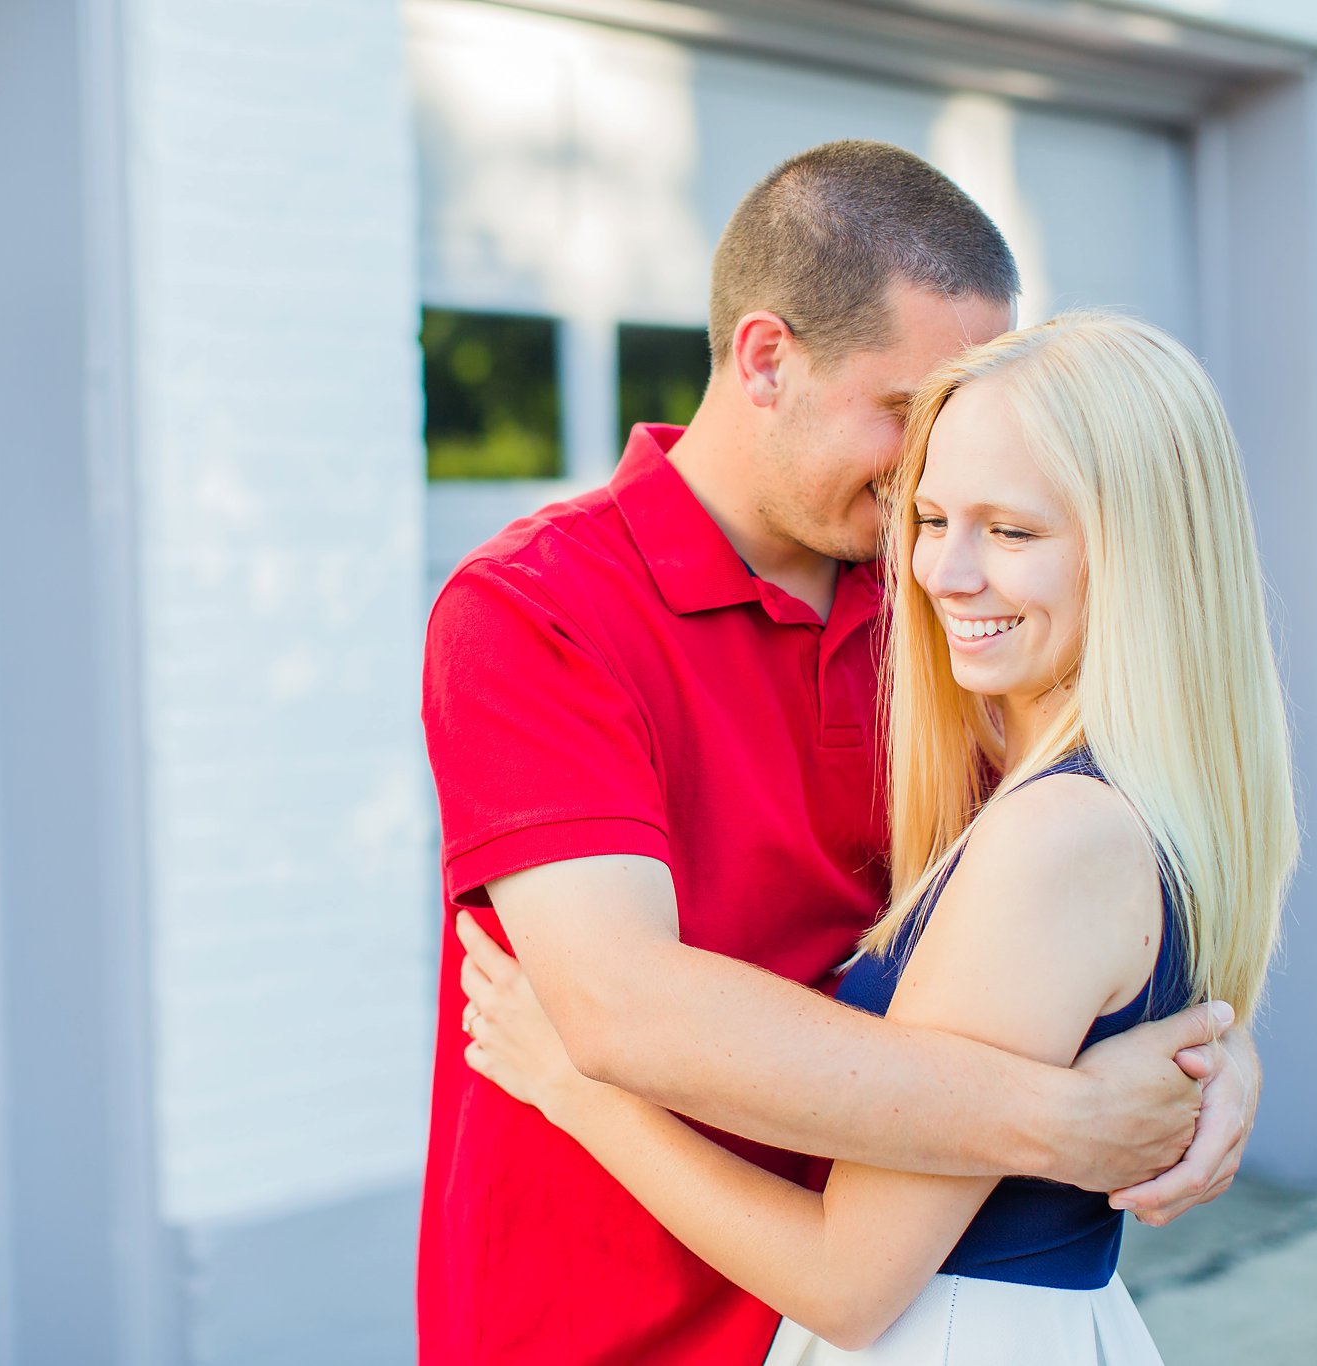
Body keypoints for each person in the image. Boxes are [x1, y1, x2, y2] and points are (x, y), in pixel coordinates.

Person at [419, 142, 1260, 1366]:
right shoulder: (534, 610)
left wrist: (1209, 1052)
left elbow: (1079, 902)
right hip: (600, 1324)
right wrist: (1065, 1122)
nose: (934, 468)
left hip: (877, 1310)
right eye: (907, 413)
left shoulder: (940, 608)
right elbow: (617, 1008)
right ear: (765, 357)